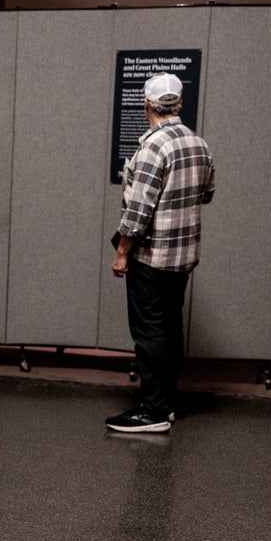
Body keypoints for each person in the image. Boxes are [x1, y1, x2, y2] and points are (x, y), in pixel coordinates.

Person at [107, 72, 215, 433]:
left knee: (149, 332)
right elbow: (208, 192)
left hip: (151, 258)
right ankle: (165, 403)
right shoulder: (198, 143)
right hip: (183, 257)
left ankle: (151, 413)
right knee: (169, 328)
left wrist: (122, 252)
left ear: (146, 104)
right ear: (179, 103)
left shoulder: (154, 147)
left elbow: (137, 213)